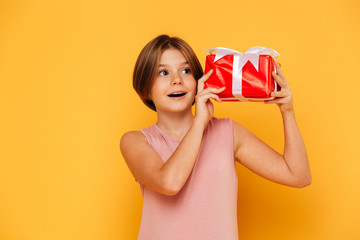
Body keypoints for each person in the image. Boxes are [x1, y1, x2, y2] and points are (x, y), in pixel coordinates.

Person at [120, 34, 311, 240]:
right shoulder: (135, 141)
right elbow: (170, 183)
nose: (177, 80)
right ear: (145, 86)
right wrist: (200, 122)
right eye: (163, 72)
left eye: (186, 71)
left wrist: (287, 112)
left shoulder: (227, 132)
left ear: (198, 81)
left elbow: (298, 176)